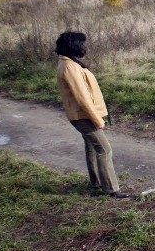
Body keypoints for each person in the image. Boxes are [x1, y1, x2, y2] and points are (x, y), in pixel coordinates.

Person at [55, 31, 130, 198]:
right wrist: (97, 119)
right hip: (83, 116)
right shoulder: (69, 67)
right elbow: (82, 97)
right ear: (73, 45)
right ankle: (111, 189)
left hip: (81, 115)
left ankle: (96, 183)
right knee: (104, 149)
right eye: (81, 43)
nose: (84, 46)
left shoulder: (69, 63)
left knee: (91, 147)